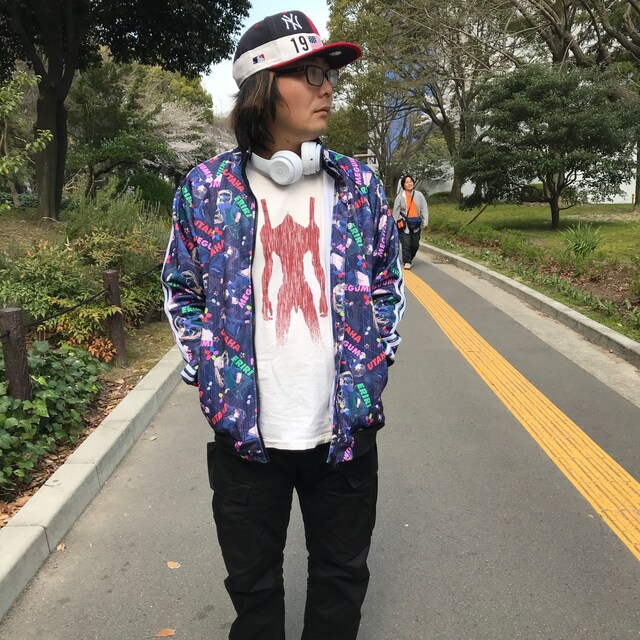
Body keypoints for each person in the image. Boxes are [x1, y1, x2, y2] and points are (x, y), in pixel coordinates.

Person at [161, 10, 405, 640]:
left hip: (344, 432)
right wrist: (210, 374)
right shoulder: (205, 190)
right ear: (263, 89)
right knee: (253, 588)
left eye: (329, 74)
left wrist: (372, 368)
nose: (328, 87)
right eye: (311, 73)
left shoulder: (359, 186)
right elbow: (181, 289)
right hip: (247, 437)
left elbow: (386, 284)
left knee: (342, 579)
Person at [393, 174, 428, 270]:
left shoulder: (419, 195)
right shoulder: (400, 197)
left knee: (415, 245)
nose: (409, 184)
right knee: (406, 244)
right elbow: (395, 211)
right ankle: (407, 261)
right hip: (404, 224)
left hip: (416, 223)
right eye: (407, 182)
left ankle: (410, 258)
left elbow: (424, 208)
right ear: (403, 185)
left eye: (411, 181)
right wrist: (394, 225)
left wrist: (425, 221)